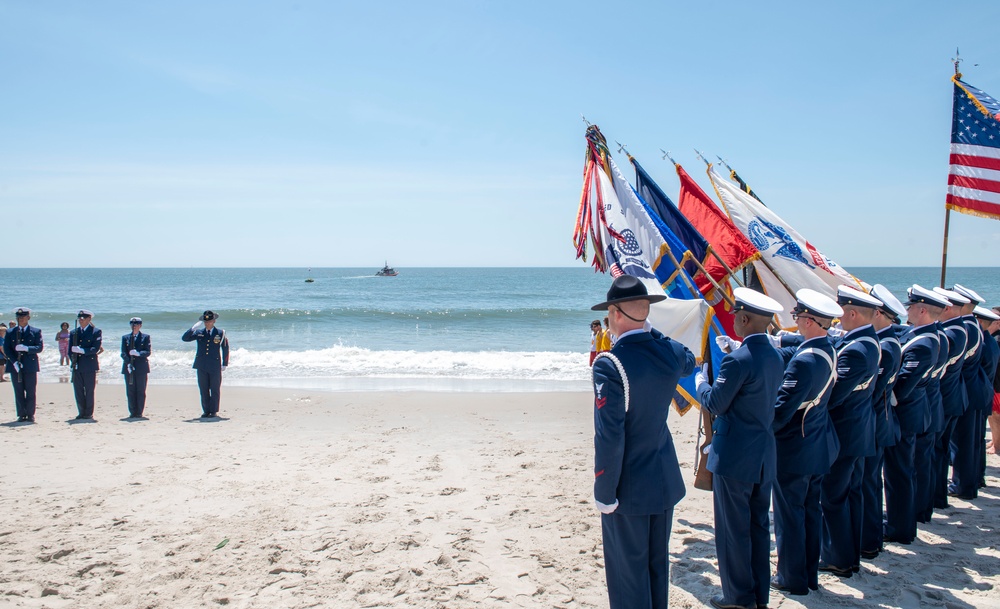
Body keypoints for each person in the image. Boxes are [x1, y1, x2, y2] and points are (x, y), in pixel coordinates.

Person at [590, 275, 694, 609]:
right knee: (655, 570)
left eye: (610, 313)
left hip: (627, 488)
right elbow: (689, 358)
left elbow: (610, 437)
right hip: (663, 480)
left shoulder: (611, 364)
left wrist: (604, 493)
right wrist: (652, 330)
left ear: (616, 314)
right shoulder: (669, 352)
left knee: (628, 578)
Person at [696, 287, 784, 609]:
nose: (733, 320)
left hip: (734, 457)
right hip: (763, 456)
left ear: (745, 318)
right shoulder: (775, 355)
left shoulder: (736, 360)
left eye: (736, 315)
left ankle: (738, 598)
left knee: (733, 533)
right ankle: (758, 596)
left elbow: (716, 403)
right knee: (758, 529)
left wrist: (700, 382)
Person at [769, 289, 842, 597]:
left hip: (795, 448)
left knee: (790, 516)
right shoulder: (827, 348)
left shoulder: (805, 363)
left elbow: (781, 411)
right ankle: (808, 574)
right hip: (816, 442)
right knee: (809, 512)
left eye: (798, 316)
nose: (795, 320)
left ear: (811, 320)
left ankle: (792, 577)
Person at [883, 285, 946, 544]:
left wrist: (884, 399)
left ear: (922, 310)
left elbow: (904, 384)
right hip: (914, 411)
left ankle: (901, 528)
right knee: (903, 471)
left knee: (900, 473)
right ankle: (903, 521)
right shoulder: (925, 335)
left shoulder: (925, 343)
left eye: (910, 307)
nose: (907, 310)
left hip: (906, 412)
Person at [859, 284, 905, 560]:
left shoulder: (884, 347)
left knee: (868, 484)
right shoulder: (887, 342)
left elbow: (872, 391)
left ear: (878, 313)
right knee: (870, 483)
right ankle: (870, 539)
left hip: (873, 421)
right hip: (878, 419)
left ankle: (869, 540)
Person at [927, 288, 969, 515]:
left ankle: (935, 497)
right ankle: (937, 497)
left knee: (937, 452)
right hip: (951, 396)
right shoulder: (957, 329)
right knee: (939, 452)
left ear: (949, 308)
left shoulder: (951, 333)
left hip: (945, 397)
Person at [948, 284, 987, 500]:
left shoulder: (966, 328)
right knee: (969, 442)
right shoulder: (973, 326)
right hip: (973, 388)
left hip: (967, 389)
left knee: (963, 443)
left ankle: (963, 485)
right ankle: (969, 482)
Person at [182, 310, 230, 418]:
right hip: (201, 364)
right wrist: (192, 329)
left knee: (215, 388)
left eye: (210, 321)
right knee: (203, 389)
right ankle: (206, 410)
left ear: (214, 321)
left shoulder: (220, 333)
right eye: (205, 321)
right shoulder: (199, 333)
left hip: (214, 365)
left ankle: (213, 410)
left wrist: (225, 363)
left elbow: (225, 348)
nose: (207, 323)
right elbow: (185, 338)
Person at [973, 306, 999, 489]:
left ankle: (997, 445)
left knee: (995, 417)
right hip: (992, 387)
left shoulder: (992, 341)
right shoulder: (990, 340)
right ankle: (996, 443)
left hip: (993, 387)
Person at [4, 308, 43, 422]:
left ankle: (30, 414)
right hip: (15, 365)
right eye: (19, 317)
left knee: (31, 390)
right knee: (18, 390)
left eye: (23, 317)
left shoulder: (35, 331)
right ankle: (21, 414)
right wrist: (14, 362)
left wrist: (27, 348)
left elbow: (39, 347)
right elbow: (7, 348)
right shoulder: (11, 332)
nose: (20, 319)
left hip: (30, 365)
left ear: (28, 318)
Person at [69, 310, 102, 420]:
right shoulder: (74, 332)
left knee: (89, 390)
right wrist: (73, 360)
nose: (81, 320)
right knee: (78, 390)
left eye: (83, 318)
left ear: (89, 319)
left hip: (89, 365)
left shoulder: (95, 332)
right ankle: (81, 412)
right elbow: (70, 350)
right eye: (80, 318)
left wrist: (82, 350)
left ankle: (88, 413)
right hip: (77, 365)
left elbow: (95, 348)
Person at [121, 317, 151, 418]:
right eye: (132, 324)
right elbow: (123, 353)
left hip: (141, 367)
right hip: (129, 367)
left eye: (136, 324)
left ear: (140, 325)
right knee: (130, 390)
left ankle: (139, 412)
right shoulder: (125, 338)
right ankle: (132, 411)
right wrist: (128, 363)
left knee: (140, 390)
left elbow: (147, 352)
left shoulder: (145, 337)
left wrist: (138, 353)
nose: (134, 326)